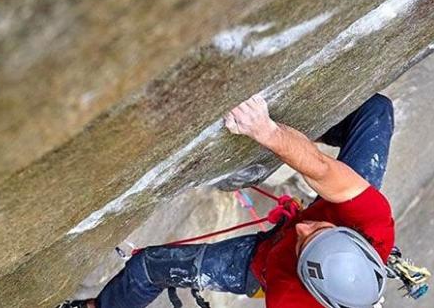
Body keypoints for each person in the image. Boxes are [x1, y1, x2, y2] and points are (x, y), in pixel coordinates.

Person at [58, 93, 396, 308]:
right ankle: (307, 134)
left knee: (147, 268)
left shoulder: (290, 300)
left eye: (303, 243)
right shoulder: (373, 227)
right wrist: (267, 131)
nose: (304, 226)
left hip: (259, 263)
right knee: (375, 110)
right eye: (320, 229)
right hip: (345, 211)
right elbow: (322, 170)